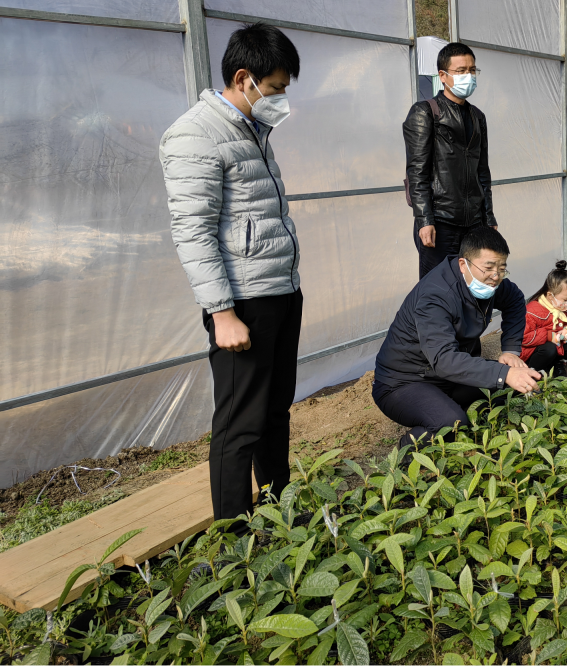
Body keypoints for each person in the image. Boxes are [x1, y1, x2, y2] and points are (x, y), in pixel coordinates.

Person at [159, 22, 301, 532]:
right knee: (239, 423)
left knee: (274, 410)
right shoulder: (195, 134)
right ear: (245, 78)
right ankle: (234, 537)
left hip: (279, 288)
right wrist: (222, 313)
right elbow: (193, 232)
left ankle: (281, 511)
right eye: (277, 88)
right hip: (243, 301)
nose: (281, 99)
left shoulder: (252, 129)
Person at [372, 227, 540, 447]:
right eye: (488, 268)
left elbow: (515, 299)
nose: (495, 277)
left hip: (447, 376)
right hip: (404, 382)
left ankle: (460, 421)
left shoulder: (486, 282)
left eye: (502, 268)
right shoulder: (435, 296)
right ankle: (405, 452)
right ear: (464, 264)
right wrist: (504, 373)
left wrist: (510, 349)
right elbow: (444, 360)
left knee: (511, 387)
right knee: (450, 422)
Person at [403, 42, 498, 279]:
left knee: (477, 285)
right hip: (440, 221)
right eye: (461, 70)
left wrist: (489, 217)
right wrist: (424, 219)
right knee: (439, 289)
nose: (468, 75)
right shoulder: (425, 112)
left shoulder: (477, 116)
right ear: (443, 76)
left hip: (474, 222)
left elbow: (482, 171)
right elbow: (417, 172)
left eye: (472, 70)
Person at [520, 261, 567, 377]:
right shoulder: (532, 312)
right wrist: (549, 336)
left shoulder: (562, 306)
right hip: (533, 351)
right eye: (566, 299)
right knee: (549, 349)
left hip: (556, 343)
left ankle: (557, 364)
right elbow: (524, 338)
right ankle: (534, 371)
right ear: (549, 296)